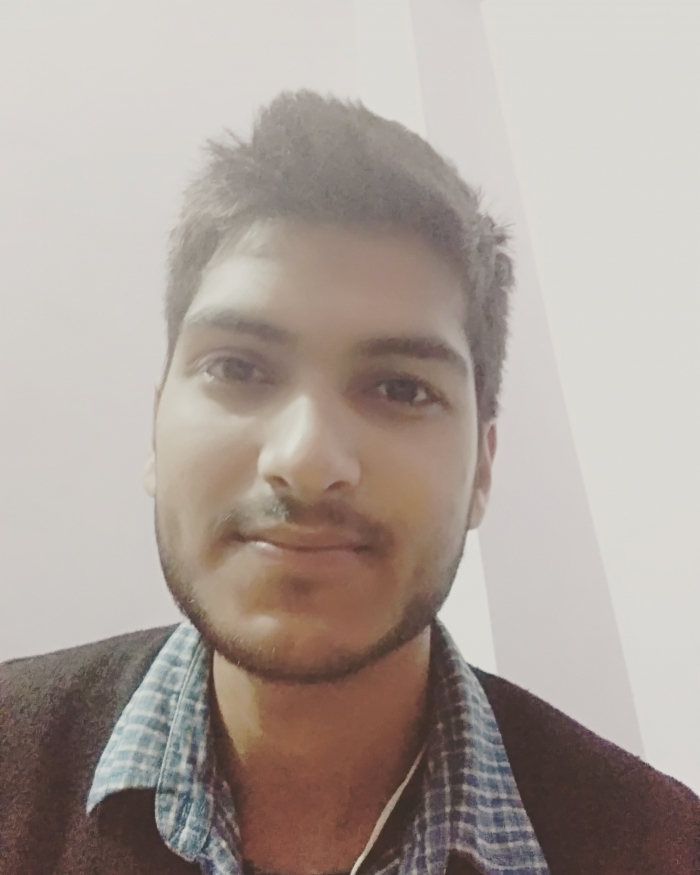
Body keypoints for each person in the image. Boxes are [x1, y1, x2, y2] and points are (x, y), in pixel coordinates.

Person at [0, 90, 697, 875]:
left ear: (483, 469)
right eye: (237, 367)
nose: (305, 459)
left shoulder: (663, 847)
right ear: (156, 424)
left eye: (401, 388)